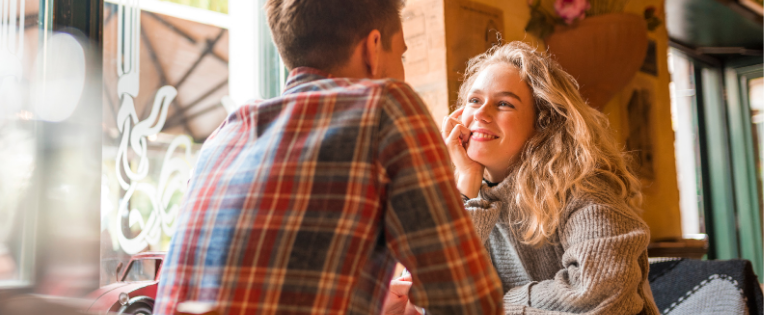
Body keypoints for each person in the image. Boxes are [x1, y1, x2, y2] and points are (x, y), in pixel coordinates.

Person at [153, 1, 504, 314]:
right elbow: (469, 301)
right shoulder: (384, 107)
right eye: (402, 54)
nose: (402, 69)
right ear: (373, 47)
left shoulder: (225, 135)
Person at [438, 41, 660, 314]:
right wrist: (466, 184)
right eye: (474, 100)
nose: (481, 114)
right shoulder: (473, 196)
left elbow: (598, 294)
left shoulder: (586, 192)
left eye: (504, 103)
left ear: (541, 123)